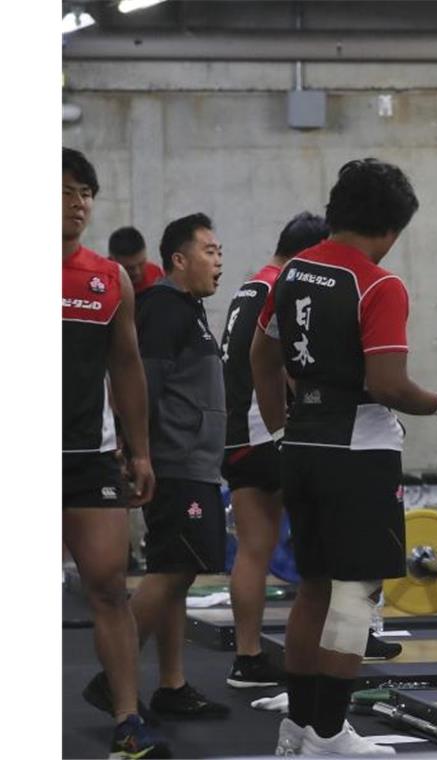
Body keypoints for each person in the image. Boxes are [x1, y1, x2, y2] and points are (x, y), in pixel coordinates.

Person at [249, 158, 437, 755]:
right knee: (355, 595)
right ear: (392, 228)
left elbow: (262, 357)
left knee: (313, 590)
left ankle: (299, 730)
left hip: (299, 447)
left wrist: (282, 429)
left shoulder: (294, 271)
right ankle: (329, 735)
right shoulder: (379, 285)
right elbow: (389, 385)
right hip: (358, 453)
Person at [86, 213, 232, 719]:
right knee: (175, 568)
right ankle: (113, 678)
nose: (218, 261)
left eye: (220, 252)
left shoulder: (189, 310)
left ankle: (172, 684)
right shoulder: (164, 309)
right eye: (209, 251)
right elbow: (137, 382)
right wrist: (138, 451)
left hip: (196, 461)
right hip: (175, 462)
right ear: (178, 259)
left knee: (178, 570)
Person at [64, 148, 171, 758]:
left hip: (89, 456)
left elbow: (127, 367)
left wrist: (141, 451)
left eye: (86, 193)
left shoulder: (108, 279)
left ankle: (128, 718)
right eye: (65, 191)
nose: (78, 203)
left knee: (108, 586)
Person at [219, 212, 328, 688]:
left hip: (236, 435)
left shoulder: (248, 288)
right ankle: (330, 649)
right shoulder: (286, 288)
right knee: (327, 541)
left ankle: (247, 658)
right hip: (272, 431)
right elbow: (287, 363)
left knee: (253, 550)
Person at [109, 226, 164, 294]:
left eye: (141, 264)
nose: (137, 272)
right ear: (112, 260)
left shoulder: (155, 274)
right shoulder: (102, 279)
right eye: (129, 268)